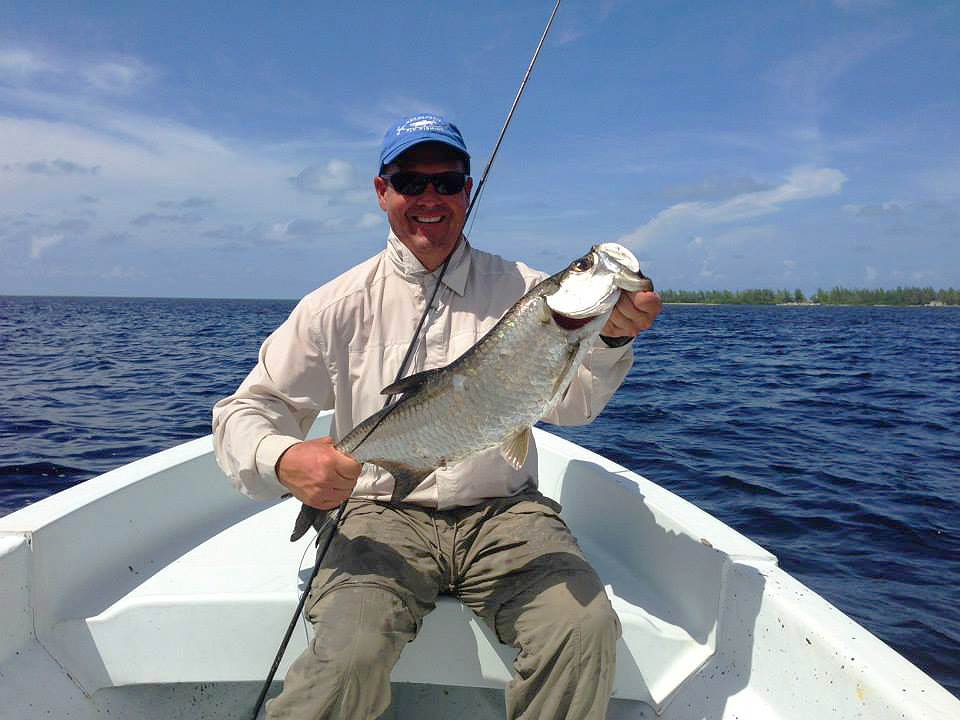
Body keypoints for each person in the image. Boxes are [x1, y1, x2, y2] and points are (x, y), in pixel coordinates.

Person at [212, 113, 662, 720]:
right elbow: (247, 408)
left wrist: (609, 341)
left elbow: (574, 404)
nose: (430, 198)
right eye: (410, 181)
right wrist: (284, 456)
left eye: (447, 182)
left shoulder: (529, 291)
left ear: (467, 191)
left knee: (583, 631)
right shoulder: (334, 306)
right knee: (347, 658)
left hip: (505, 513)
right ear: (382, 192)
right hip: (376, 514)